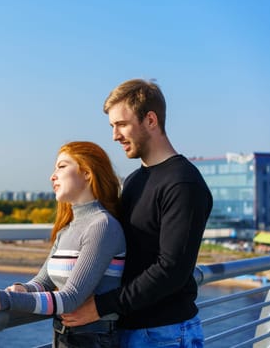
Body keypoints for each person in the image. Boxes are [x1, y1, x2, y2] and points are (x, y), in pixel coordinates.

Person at [60, 79, 213, 348]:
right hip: (128, 329)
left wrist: (99, 306)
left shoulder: (183, 183)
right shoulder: (132, 181)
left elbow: (172, 269)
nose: (114, 136)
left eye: (122, 124)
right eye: (112, 127)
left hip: (164, 333)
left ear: (150, 120)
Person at [0, 141, 126, 348]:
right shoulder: (67, 229)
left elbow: (70, 298)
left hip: (93, 339)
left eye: (62, 166)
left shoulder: (102, 226)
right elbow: (44, 282)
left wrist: (4, 299)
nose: (52, 176)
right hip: (64, 336)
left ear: (87, 173)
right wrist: (21, 290)